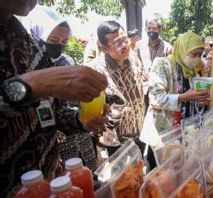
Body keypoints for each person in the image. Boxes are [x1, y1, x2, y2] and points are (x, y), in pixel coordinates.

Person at [0, 0, 108, 196]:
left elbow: (52, 114)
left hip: (49, 182)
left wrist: (81, 121)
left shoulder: (29, 45)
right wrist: (31, 85)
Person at [28, 5, 100, 171]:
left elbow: (67, 106)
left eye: (64, 42)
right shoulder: (28, 66)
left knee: (88, 176)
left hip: (79, 134)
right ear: (37, 34)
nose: (58, 46)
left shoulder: (66, 62)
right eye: (53, 41)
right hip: (54, 144)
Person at [140, 32, 210, 148]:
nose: (198, 59)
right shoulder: (162, 65)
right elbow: (155, 99)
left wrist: (200, 102)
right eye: (194, 54)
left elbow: (193, 104)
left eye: (200, 54)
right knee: (162, 165)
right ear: (182, 50)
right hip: (163, 134)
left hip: (186, 134)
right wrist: (184, 97)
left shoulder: (193, 72)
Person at [88, 20, 146, 158]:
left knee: (141, 172)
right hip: (116, 139)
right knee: (124, 176)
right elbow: (92, 109)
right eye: (118, 43)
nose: (125, 46)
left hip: (140, 129)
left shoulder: (135, 60)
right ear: (104, 48)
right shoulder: (95, 70)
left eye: (125, 40)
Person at [136, 18, 172, 107]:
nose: (151, 30)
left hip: (160, 91)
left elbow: (170, 69)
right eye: (149, 28)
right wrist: (142, 73)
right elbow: (135, 64)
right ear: (145, 30)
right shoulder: (139, 46)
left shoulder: (167, 48)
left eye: (154, 28)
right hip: (143, 89)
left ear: (160, 30)